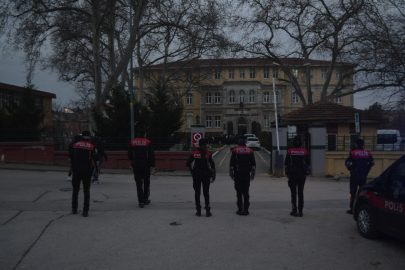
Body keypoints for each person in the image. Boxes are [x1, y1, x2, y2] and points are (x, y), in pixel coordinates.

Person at [69, 131, 99, 217]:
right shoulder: (91, 146)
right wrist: (97, 170)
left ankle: (74, 208)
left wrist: (71, 168)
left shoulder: (75, 145)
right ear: (89, 137)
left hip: (76, 169)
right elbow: (96, 160)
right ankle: (85, 211)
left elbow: (70, 158)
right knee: (86, 191)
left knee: (75, 190)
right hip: (86, 170)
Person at [186, 138, 216, 217]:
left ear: (198, 144)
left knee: (197, 193)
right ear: (206, 144)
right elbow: (213, 166)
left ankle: (198, 211)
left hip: (196, 175)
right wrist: (213, 176)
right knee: (206, 193)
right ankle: (207, 211)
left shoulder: (194, 153)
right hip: (206, 175)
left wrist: (192, 171)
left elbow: (187, 164)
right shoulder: (208, 154)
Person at [345, 138, 375, 214]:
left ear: (356, 144)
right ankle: (361, 208)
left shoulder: (353, 153)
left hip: (355, 175)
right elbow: (372, 163)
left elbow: (347, 163)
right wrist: (367, 169)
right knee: (362, 192)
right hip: (363, 175)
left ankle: (352, 208)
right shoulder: (368, 153)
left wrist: (351, 169)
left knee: (352, 192)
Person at [127, 128, 155, 208]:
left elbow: (129, 154)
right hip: (146, 164)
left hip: (136, 164)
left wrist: (133, 160)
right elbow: (151, 155)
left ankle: (141, 202)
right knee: (146, 182)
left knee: (138, 184)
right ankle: (145, 198)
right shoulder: (148, 142)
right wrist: (152, 165)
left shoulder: (133, 142)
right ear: (145, 134)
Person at [229, 136, 256, 216]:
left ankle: (240, 209)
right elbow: (253, 164)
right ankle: (246, 210)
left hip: (238, 174)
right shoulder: (250, 151)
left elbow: (232, 164)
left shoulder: (235, 150)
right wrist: (253, 174)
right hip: (246, 174)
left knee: (239, 192)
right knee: (246, 192)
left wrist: (231, 174)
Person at [284, 136, 310, 217]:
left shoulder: (290, 151)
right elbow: (308, 164)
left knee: (293, 193)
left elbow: (286, 164)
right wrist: (306, 174)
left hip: (292, 174)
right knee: (300, 193)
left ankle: (294, 210)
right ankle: (301, 211)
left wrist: (287, 173)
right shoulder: (305, 152)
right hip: (301, 174)